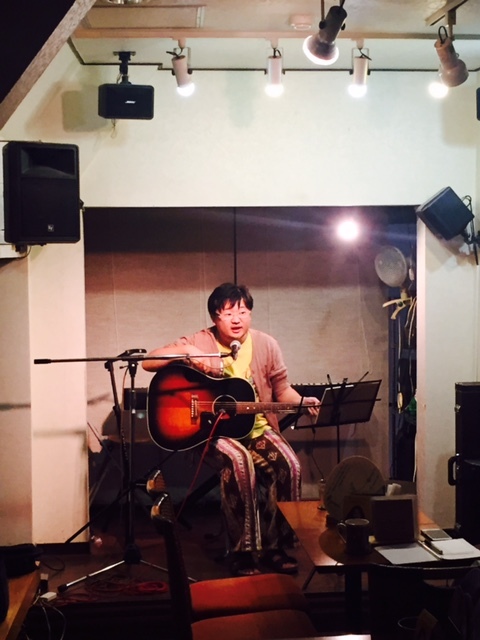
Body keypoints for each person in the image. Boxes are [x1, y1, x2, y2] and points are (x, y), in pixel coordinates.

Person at [142, 282, 320, 576]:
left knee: (290, 465)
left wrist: (302, 401)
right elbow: (149, 362)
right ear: (215, 317)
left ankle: (276, 547)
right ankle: (243, 551)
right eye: (228, 313)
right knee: (239, 462)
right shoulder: (201, 341)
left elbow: (282, 390)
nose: (237, 319)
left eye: (243, 312)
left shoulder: (266, 344)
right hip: (213, 432)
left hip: (257, 427)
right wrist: (187, 351)